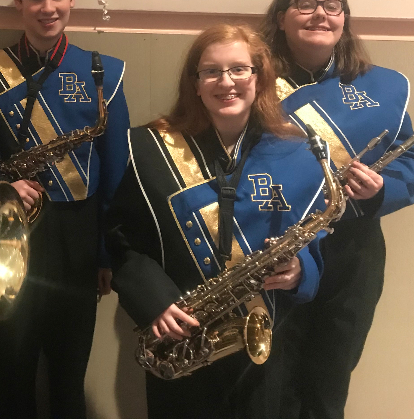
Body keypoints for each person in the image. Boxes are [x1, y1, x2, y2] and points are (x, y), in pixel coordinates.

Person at [106, 24, 329, 419]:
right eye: (211, 71)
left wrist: (300, 270)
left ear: (259, 78)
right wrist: (153, 301)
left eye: (239, 69)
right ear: (194, 83)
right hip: (180, 337)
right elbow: (121, 239)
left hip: (265, 340)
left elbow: (311, 240)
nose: (226, 82)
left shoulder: (296, 152)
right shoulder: (144, 148)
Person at [0, 0, 130, 419]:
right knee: (9, 375)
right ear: (18, 0)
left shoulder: (103, 73)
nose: (47, 8)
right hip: (5, 238)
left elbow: (116, 174)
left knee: (69, 380)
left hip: (76, 243)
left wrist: (105, 254)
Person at [261, 0, 414, 419]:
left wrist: (379, 192)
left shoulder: (380, 86)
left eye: (333, 6)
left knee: (330, 376)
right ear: (281, 18)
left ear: (345, 21)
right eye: (305, 4)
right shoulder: (249, 80)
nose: (321, 14)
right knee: (270, 377)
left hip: (351, 251)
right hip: (275, 248)